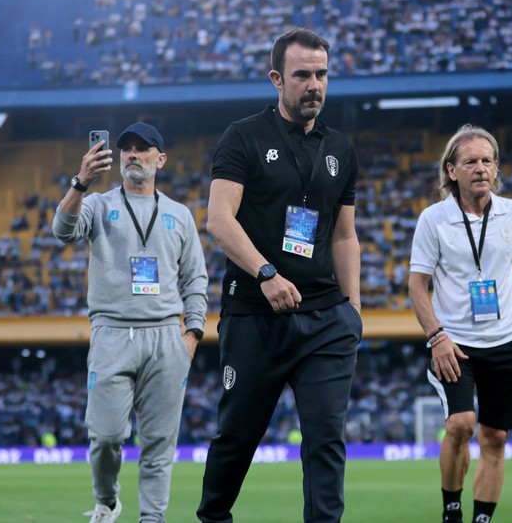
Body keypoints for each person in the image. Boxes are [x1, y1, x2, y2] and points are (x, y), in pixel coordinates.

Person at [198, 28, 362, 523]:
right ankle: (213, 518)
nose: (315, 85)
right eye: (302, 75)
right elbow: (218, 219)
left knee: (326, 439)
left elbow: (344, 236)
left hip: (326, 319)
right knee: (237, 435)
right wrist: (265, 273)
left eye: (322, 74)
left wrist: (353, 310)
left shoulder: (341, 149)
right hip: (255, 314)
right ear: (276, 79)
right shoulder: (243, 136)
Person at [53, 121, 208, 523]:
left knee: (159, 442)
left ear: (161, 159)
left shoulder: (179, 215)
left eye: (143, 149)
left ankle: (152, 518)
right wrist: (80, 182)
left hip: (166, 337)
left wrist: (193, 332)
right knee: (105, 436)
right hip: (113, 333)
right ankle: (107, 501)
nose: (133, 155)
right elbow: (62, 231)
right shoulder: (97, 204)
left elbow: (195, 279)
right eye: (127, 149)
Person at [408, 124, 512, 523]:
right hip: (455, 342)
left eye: (487, 160)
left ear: (496, 167)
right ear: (451, 170)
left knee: (495, 437)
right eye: (470, 162)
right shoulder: (434, 219)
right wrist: (436, 337)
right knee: (461, 425)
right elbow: (417, 284)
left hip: (508, 341)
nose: (481, 168)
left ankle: (482, 518)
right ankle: (452, 511)